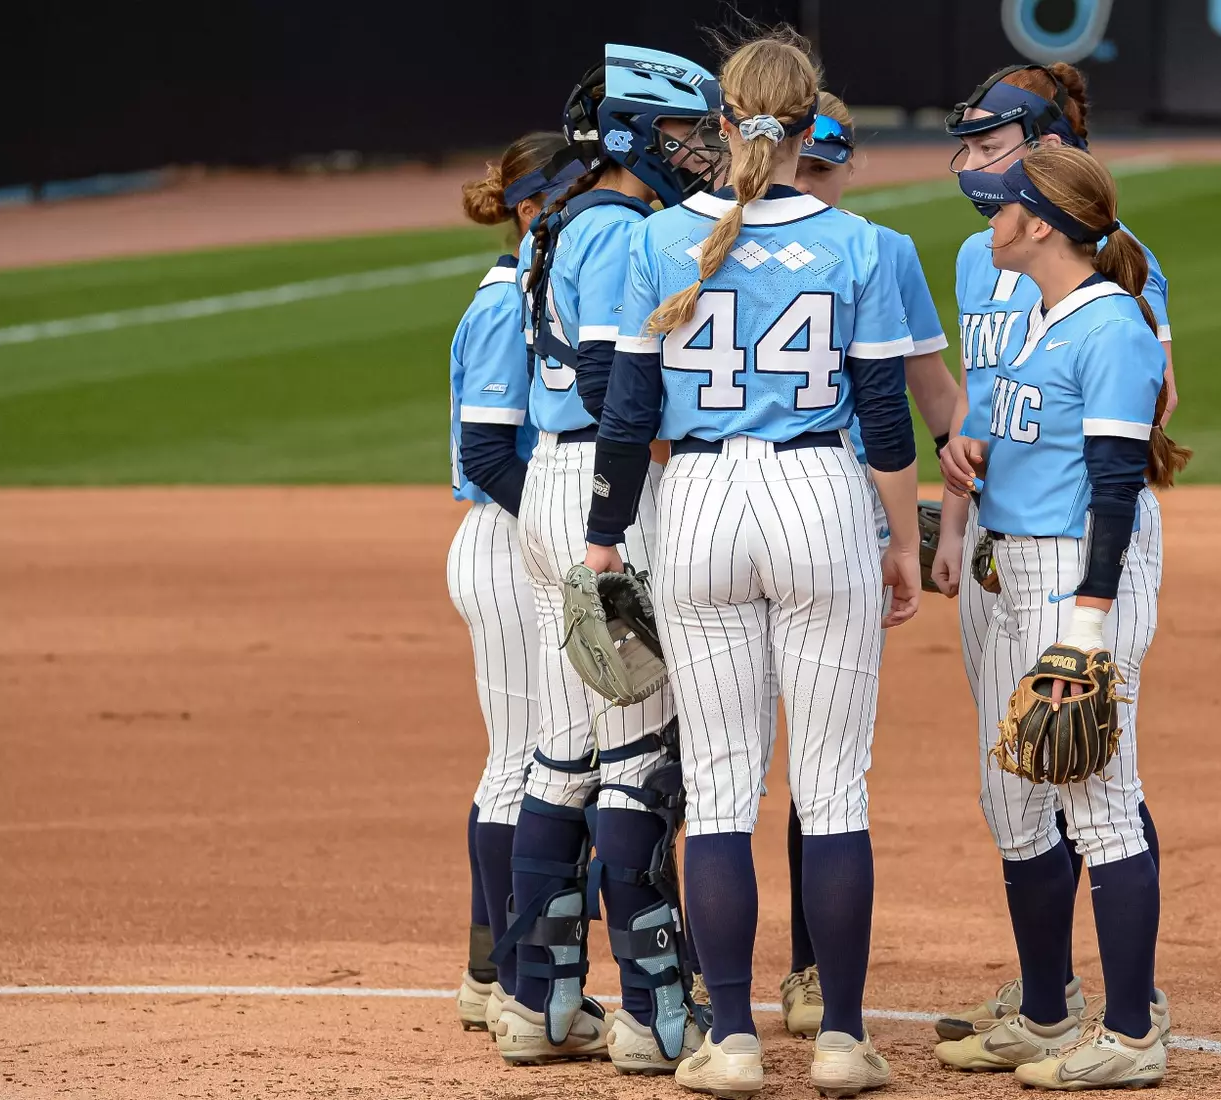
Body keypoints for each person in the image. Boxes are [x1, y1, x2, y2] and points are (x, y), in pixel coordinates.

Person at [580, 28, 921, 1098]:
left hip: (698, 508)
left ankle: (728, 1039)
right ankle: (840, 1039)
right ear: (811, 118)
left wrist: (603, 536)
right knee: (834, 789)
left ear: (723, 123)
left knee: (723, 787)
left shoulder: (650, 241)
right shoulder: (869, 243)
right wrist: (902, 539)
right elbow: (886, 416)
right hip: (821, 497)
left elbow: (628, 414)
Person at [929, 60, 1177, 1041]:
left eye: (997, 159)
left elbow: (1122, 457)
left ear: (1040, 213)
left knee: (1094, 781)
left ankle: (1130, 1014)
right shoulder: (1033, 306)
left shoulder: (1109, 311)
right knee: (1019, 783)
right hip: (1009, 551)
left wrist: (1089, 618)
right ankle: (1048, 1003)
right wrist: (964, 490)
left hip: (1076, 561)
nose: (981, 186)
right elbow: (1006, 411)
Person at [491, 45, 725, 1073]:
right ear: (633, 135)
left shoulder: (562, 220)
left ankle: (535, 1003)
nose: (699, 152)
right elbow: (605, 385)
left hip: (546, 487)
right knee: (636, 759)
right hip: (603, 496)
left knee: (560, 750)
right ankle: (653, 1015)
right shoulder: (623, 229)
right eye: (680, 135)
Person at [766, 88, 962, 1040]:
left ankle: (716, 982)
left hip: (720, 516)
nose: (818, 179)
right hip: (832, 516)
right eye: (812, 164)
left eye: (819, 165)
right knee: (820, 762)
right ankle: (805, 983)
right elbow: (924, 405)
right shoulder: (873, 248)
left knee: (724, 770)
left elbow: (934, 397)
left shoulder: (695, 236)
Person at [446, 131, 580, 1036]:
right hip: (508, 541)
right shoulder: (504, 305)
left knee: (542, 759)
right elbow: (488, 450)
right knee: (522, 761)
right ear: (532, 209)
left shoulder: (541, 290)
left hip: (532, 537)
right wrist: (561, 532)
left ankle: (495, 970)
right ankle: (498, 977)